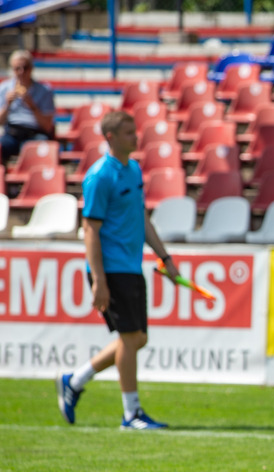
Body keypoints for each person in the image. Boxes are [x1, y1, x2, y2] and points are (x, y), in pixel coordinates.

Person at [55, 111, 180, 430]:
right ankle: (131, 414)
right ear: (110, 137)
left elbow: (142, 219)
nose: (135, 137)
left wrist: (164, 256)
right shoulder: (99, 176)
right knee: (130, 338)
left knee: (136, 339)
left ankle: (75, 380)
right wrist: (98, 280)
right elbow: (90, 229)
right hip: (110, 269)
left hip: (131, 266)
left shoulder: (134, 169)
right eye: (127, 132)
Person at [0, 50, 55, 159]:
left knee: (40, 146)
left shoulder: (45, 90)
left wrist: (32, 106)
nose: (21, 72)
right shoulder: (4, 88)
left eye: (25, 68)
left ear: (31, 68)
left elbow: (48, 126)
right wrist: (7, 105)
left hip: (34, 134)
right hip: (11, 134)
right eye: (17, 68)